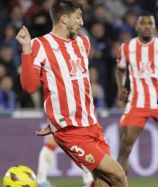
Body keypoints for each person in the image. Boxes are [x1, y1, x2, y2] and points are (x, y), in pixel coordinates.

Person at [15, 1, 128, 187]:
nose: (82, 22)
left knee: (103, 183)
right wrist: (26, 50)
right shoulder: (40, 45)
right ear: (64, 19)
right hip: (71, 131)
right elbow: (29, 86)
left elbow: (73, 85)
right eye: (78, 17)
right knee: (117, 174)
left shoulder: (83, 42)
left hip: (92, 124)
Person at [116, 11, 158, 174]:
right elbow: (119, 68)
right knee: (125, 145)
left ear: (154, 27)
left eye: (149, 24)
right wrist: (120, 87)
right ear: (136, 26)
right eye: (143, 23)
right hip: (137, 102)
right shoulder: (126, 48)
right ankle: (119, 184)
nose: (146, 27)